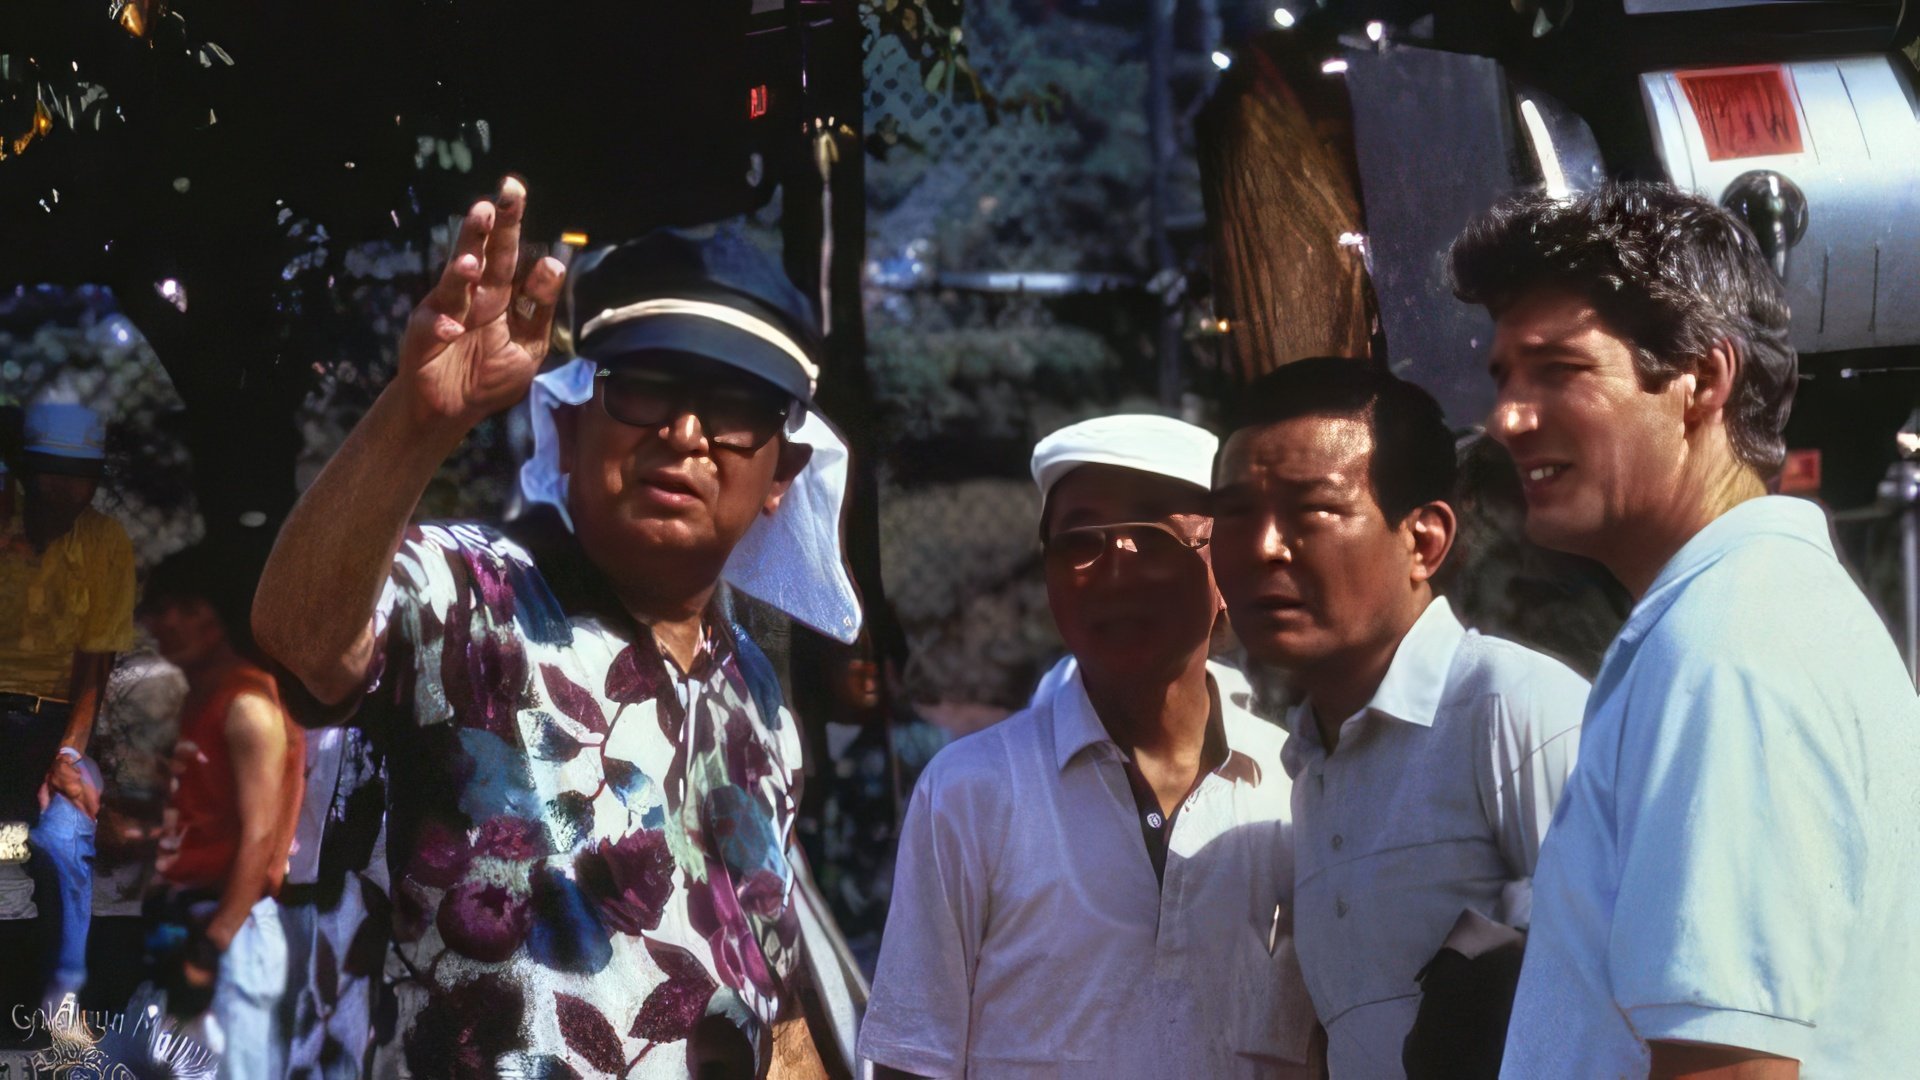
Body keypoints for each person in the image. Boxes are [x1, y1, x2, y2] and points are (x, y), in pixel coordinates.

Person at [253, 178, 861, 1078]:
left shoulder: (759, 706)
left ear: (783, 474)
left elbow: (766, 997)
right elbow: (303, 633)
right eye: (648, 388)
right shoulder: (473, 594)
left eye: (732, 410)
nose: (685, 432)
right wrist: (420, 422)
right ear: (569, 430)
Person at [1450, 182, 1920, 1079]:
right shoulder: (1743, 617)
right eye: (1504, 375)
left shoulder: (1728, 646)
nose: (1506, 417)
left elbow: (1729, 1063)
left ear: (1703, 378)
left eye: (1559, 370)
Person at [860, 415, 1317, 1079]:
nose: (1114, 569)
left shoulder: (1294, 786)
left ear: (1223, 566)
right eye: (1079, 542)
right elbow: (913, 1060)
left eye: (1154, 538)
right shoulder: (972, 792)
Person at [1208, 357, 1590, 1080]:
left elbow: (1621, 994)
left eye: (1311, 510)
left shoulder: (1509, 707)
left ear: (1424, 541)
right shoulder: (1308, 767)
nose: (1263, 548)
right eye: (1234, 515)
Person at [140, 543, 305, 1077]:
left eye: (185, 607)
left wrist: (210, 948)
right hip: (190, 918)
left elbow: (259, 837)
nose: (165, 621)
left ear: (221, 615)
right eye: (158, 607)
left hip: (230, 932)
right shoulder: (201, 697)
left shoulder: (249, 707)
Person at [0, 401, 135, 1009]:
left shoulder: (106, 542)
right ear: (26, 470)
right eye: (51, 470)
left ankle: (62, 1008)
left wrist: (69, 753)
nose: (66, 486)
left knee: (57, 843)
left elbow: (94, 664)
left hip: (54, 726)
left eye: (80, 473)